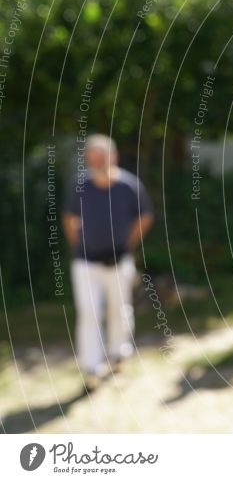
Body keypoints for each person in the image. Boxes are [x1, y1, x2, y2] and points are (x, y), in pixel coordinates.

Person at [62, 134, 153, 389]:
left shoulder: (128, 185)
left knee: (119, 309)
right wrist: (79, 243)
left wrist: (127, 243)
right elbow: (69, 218)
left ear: (113, 157)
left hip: (119, 260)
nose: (97, 162)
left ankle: (118, 354)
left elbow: (144, 217)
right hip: (86, 262)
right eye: (92, 158)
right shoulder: (79, 185)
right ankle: (92, 367)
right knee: (89, 313)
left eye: (101, 157)